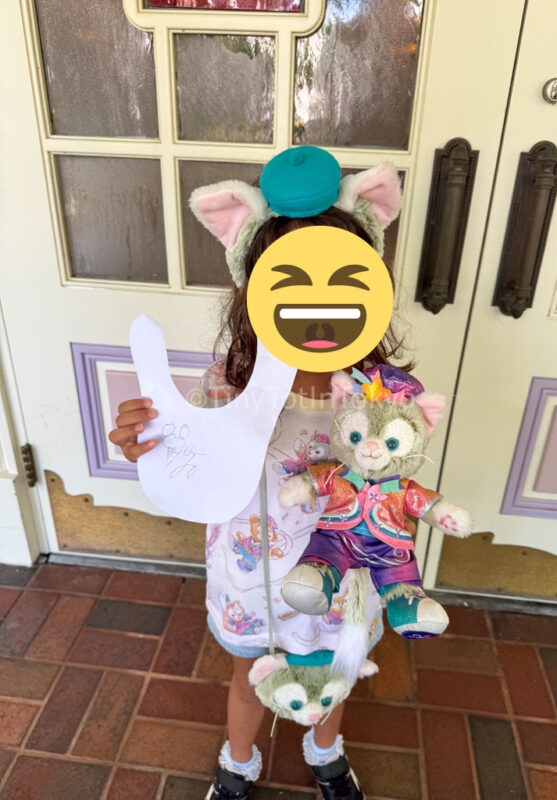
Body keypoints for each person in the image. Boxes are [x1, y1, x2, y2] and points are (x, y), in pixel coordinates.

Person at [109, 147, 415, 800]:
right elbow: (188, 456)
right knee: (250, 673)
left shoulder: (377, 393)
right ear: (252, 290)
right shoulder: (224, 386)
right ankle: (239, 759)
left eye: (337, 278)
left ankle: (325, 748)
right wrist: (151, 444)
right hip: (252, 577)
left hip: (341, 575)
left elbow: (394, 478)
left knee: (337, 668)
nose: (316, 303)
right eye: (290, 281)